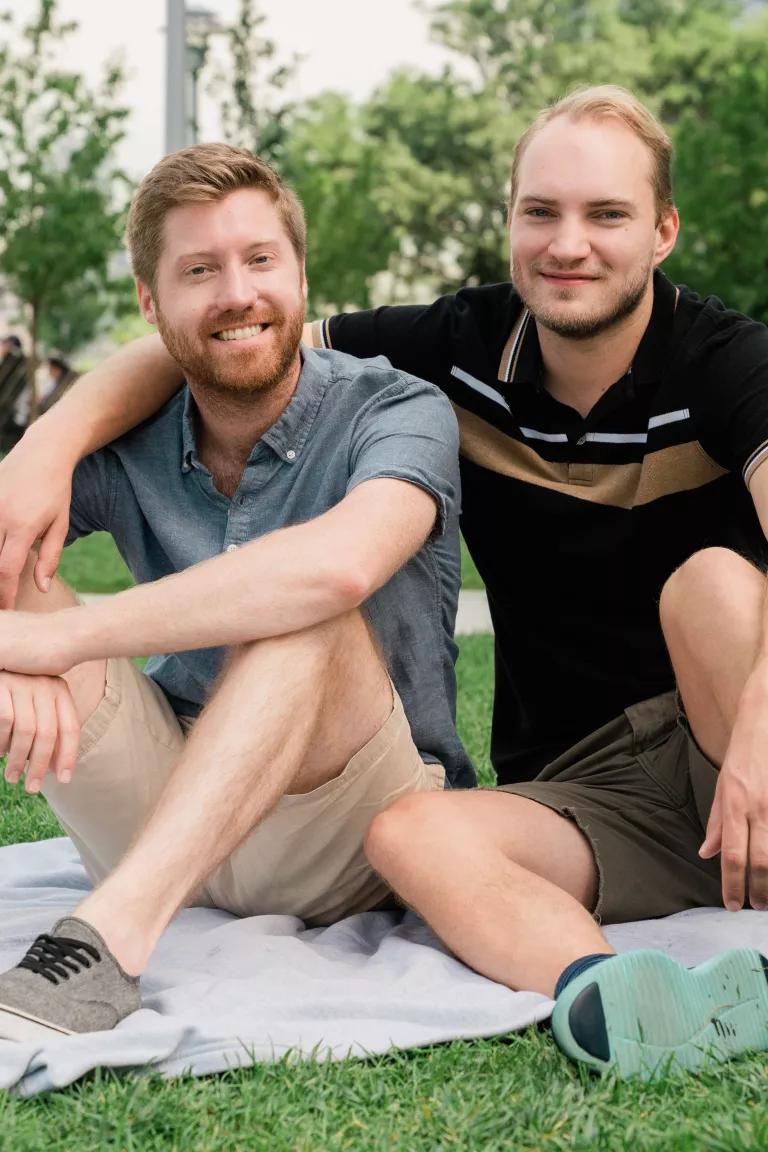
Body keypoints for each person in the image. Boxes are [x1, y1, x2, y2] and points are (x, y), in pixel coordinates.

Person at [0, 85, 766, 1077]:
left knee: (708, 583)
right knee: (415, 837)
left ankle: (105, 946)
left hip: (723, 710)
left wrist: (757, 727)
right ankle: (615, 999)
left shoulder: (728, 361)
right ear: (509, 225)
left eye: (606, 214)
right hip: (585, 779)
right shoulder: (460, 350)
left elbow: (340, 560)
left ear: (663, 230)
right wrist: (42, 446)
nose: (568, 242)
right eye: (541, 212)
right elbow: (228, 334)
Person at [0, 142, 472, 1043]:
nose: (237, 293)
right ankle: (140, 897)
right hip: (163, 799)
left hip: (348, 825)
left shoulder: (399, 410)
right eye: (200, 271)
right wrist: (15, 583)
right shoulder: (131, 437)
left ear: (301, 275)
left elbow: (338, 567)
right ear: (152, 303)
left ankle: (106, 945)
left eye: (261, 260)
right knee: (17, 552)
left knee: (310, 609)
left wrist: (56, 643)